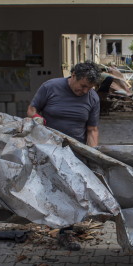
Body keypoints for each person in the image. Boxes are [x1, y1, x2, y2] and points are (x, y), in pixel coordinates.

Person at [27, 61, 102, 251]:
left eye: (90, 87)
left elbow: (92, 129)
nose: (85, 91)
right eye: (83, 85)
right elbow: (32, 109)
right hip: (46, 149)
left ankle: (65, 232)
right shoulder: (50, 87)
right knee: (48, 188)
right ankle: (47, 220)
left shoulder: (92, 98)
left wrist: (93, 156)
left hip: (73, 153)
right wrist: (36, 118)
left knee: (71, 192)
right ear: (74, 75)